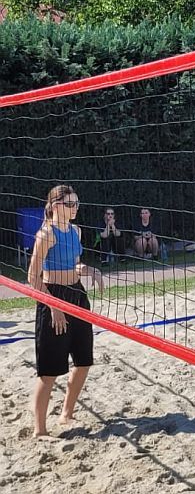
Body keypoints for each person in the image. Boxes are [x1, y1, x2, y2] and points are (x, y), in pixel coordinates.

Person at [27, 185, 103, 438]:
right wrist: (53, 306)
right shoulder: (46, 234)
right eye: (70, 204)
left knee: (84, 361)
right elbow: (32, 277)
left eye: (77, 204)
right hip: (52, 296)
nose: (75, 208)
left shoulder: (76, 231)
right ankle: (40, 430)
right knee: (49, 371)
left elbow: (73, 265)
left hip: (77, 295)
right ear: (55, 206)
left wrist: (89, 270)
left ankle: (66, 413)